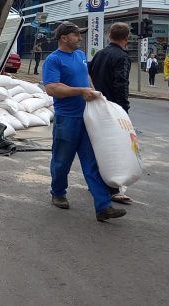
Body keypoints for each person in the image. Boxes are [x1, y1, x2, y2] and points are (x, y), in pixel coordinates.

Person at [42, 21, 127, 222]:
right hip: (67, 119)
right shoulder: (53, 60)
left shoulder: (80, 56)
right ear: (64, 37)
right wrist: (80, 91)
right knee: (62, 160)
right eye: (76, 35)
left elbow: (86, 76)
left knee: (92, 162)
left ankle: (103, 206)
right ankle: (58, 193)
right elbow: (52, 88)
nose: (80, 38)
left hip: (87, 118)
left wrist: (92, 91)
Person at [87, 22, 134, 205]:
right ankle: (113, 188)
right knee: (115, 148)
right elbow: (121, 83)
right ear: (126, 38)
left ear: (109, 36)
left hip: (97, 105)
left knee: (98, 146)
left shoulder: (99, 54)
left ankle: (96, 182)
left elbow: (89, 76)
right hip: (113, 108)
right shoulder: (122, 57)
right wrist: (124, 108)